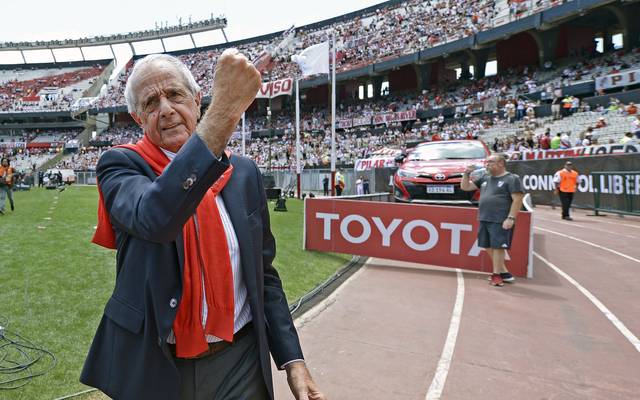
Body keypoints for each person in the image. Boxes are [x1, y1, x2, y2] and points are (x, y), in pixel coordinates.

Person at [81, 53, 326, 400]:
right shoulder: (120, 166)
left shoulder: (243, 173)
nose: (165, 109)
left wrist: (293, 360)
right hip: (159, 364)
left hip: (239, 360)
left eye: (175, 95)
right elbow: (156, 216)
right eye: (151, 102)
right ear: (138, 118)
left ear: (197, 101)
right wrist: (225, 110)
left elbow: (263, 276)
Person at [461, 154, 524, 287]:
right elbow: (465, 187)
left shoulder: (512, 179)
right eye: (486, 161)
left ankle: (497, 275)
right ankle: (504, 272)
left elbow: (517, 199)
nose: (486, 164)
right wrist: (466, 173)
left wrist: (511, 218)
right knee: (486, 245)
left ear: (501, 163)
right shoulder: (485, 177)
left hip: (500, 219)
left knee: (498, 247)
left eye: (490, 162)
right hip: (484, 217)